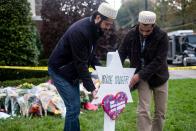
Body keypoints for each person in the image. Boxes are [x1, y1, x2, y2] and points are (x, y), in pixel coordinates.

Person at [48, 2, 118, 131]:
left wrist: (104, 72)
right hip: (60, 70)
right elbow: (81, 63)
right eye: (107, 24)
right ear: (98, 18)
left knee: (74, 108)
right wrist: (92, 88)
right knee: (73, 108)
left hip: (71, 70)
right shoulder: (80, 31)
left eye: (110, 24)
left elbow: (90, 55)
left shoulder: (95, 29)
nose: (108, 28)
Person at [118, 11, 169, 131]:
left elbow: (158, 61)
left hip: (159, 77)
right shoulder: (130, 35)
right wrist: (115, 70)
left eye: (148, 31)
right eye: (142, 30)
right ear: (139, 24)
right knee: (143, 109)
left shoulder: (162, 36)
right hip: (142, 78)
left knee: (160, 112)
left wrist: (138, 76)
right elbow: (121, 53)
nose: (144, 33)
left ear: (153, 25)